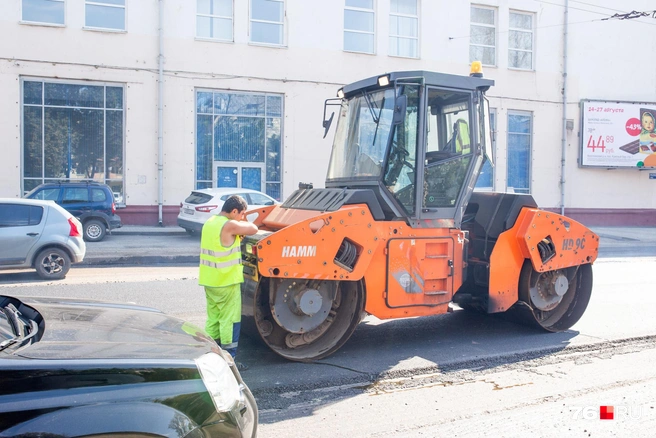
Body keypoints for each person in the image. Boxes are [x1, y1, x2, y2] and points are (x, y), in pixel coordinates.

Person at [199, 194, 258, 370]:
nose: (242, 218)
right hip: (226, 282)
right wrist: (244, 221)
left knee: (214, 319)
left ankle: (209, 354)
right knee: (229, 321)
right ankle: (228, 361)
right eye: (241, 214)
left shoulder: (210, 222)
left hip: (210, 280)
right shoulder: (230, 225)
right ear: (234, 211)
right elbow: (254, 229)